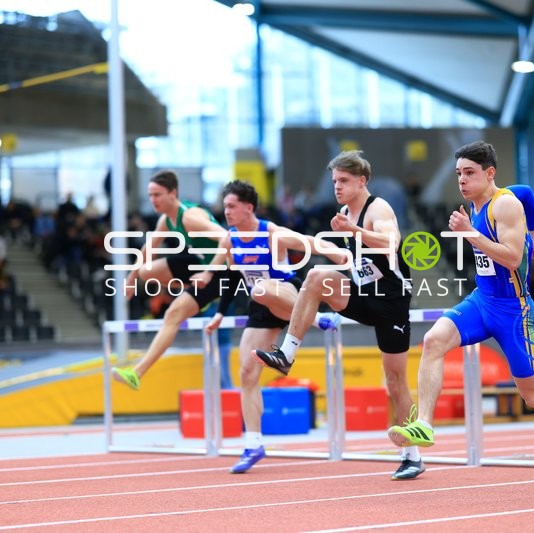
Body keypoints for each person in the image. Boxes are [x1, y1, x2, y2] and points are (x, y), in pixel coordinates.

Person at [387, 140, 534, 468]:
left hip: (513, 311)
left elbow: (512, 258)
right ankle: (425, 424)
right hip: (482, 300)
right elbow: (527, 191)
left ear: (490, 173)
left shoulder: (505, 206)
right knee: (433, 340)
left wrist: (470, 233)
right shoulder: (479, 201)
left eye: (469, 173)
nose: (462, 180)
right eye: (459, 173)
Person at [253, 150, 425, 480]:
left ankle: (412, 455)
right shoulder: (344, 213)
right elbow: (346, 257)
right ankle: (286, 354)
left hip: (391, 302)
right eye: (334, 181)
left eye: (344, 181)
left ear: (362, 181)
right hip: (362, 295)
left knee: (395, 380)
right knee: (317, 277)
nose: (337, 187)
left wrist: (354, 230)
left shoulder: (378, 208)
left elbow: (391, 243)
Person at [198, 180, 342, 474]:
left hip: (288, 292)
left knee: (261, 288)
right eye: (225, 207)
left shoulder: (271, 233)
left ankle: (315, 318)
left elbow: (311, 243)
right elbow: (231, 278)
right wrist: (220, 313)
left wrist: (340, 255)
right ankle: (253, 444)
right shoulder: (229, 240)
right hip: (262, 305)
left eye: (231, 206)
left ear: (248, 207)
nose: (226, 212)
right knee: (247, 371)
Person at [111, 170, 230, 390]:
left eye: (157, 194)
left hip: (220, 270)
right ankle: (193, 291)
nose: (153, 200)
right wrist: (131, 278)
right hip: (199, 262)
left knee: (172, 314)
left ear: (173, 194)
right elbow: (148, 248)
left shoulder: (190, 217)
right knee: (145, 272)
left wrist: (208, 273)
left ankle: (137, 373)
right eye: (150, 195)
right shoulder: (167, 220)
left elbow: (228, 237)